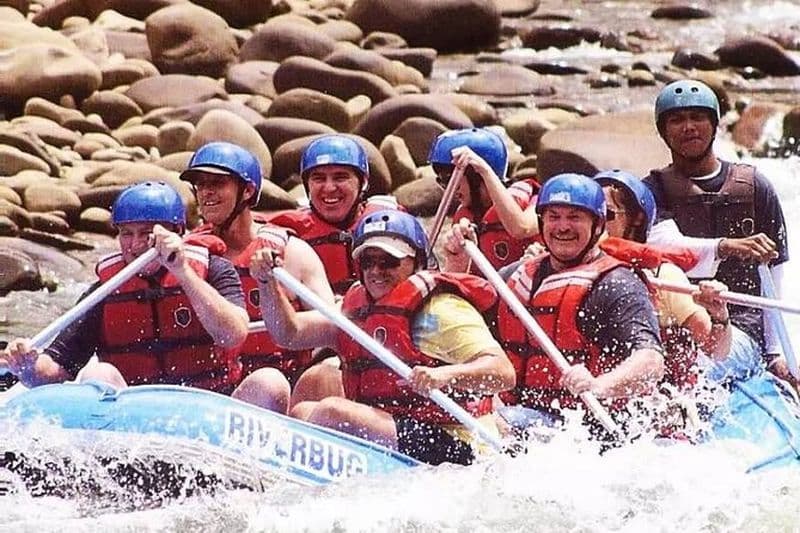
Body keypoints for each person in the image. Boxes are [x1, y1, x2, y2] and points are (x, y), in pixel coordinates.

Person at [250, 209, 516, 465]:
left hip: (458, 441)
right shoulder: (354, 311)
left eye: (389, 261)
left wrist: (445, 376)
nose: (376, 271)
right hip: (396, 430)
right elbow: (289, 333)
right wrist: (266, 284)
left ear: (418, 262)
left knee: (333, 413)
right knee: (303, 411)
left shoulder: (442, 310)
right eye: (367, 261)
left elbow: (504, 373)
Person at [0, 181, 249, 392]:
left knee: (268, 382)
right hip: (134, 415)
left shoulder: (213, 271)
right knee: (99, 374)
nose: (135, 245)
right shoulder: (105, 292)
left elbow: (232, 335)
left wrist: (182, 271)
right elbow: (56, 370)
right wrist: (26, 367)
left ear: (177, 232)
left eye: (146, 233)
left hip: (210, 403)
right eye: (127, 234)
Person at [487, 174, 665, 437]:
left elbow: (651, 361)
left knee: (492, 425)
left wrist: (599, 385)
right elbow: (459, 316)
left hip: (585, 424)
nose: (562, 227)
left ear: (597, 225)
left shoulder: (616, 284)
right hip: (518, 409)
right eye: (554, 216)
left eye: (574, 217)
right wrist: (456, 260)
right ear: (541, 222)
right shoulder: (516, 274)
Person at [645, 79, 790, 385]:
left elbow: (775, 274)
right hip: (677, 325)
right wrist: (725, 246)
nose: (689, 127)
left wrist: (776, 354)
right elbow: (664, 245)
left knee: (696, 371)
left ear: (714, 124)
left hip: (741, 327)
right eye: (677, 119)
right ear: (663, 131)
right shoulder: (652, 189)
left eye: (698, 117)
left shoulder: (755, 186)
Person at [180, 141, 335, 413]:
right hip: (210, 392)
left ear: (247, 190)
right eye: (201, 184)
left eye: (218, 183)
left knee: (317, 377)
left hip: (281, 388)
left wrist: (275, 297)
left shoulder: (293, 253)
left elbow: (332, 325)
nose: (206, 193)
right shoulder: (184, 257)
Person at [594, 169, 732, 392]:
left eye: (606, 214)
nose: (596, 222)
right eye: (589, 213)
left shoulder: (664, 275)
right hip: (591, 393)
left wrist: (720, 317)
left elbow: (714, 350)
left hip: (659, 399)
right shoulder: (568, 270)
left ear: (636, 219)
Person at [430, 127, 540, 272]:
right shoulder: (464, 218)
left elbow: (521, 229)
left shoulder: (535, 201)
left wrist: (484, 170)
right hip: (490, 290)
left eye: (449, 179)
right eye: (442, 180)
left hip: (527, 286)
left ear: (477, 177)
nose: (448, 187)